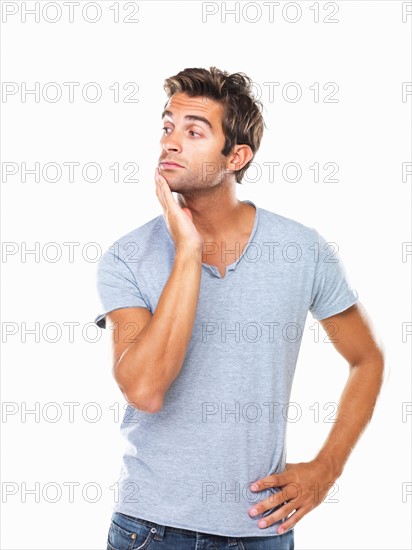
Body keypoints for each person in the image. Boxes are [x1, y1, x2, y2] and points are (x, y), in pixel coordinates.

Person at [94, 67, 384, 550]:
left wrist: (326, 468)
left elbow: (367, 359)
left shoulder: (301, 249)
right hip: (149, 531)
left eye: (194, 132)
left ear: (237, 156)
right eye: (167, 127)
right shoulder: (127, 257)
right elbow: (145, 389)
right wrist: (187, 251)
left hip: (261, 530)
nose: (170, 142)